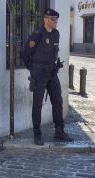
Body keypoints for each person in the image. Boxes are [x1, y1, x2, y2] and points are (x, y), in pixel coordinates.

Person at [22, 8, 73, 146]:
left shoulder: (56, 34)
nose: (55, 21)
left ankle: (59, 131)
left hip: (52, 73)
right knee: (37, 105)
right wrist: (33, 70)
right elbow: (25, 54)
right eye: (52, 19)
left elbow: (54, 52)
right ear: (45, 19)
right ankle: (37, 134)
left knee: (58, 101)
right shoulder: (37, 34)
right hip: (39, 74)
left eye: (56, 19)